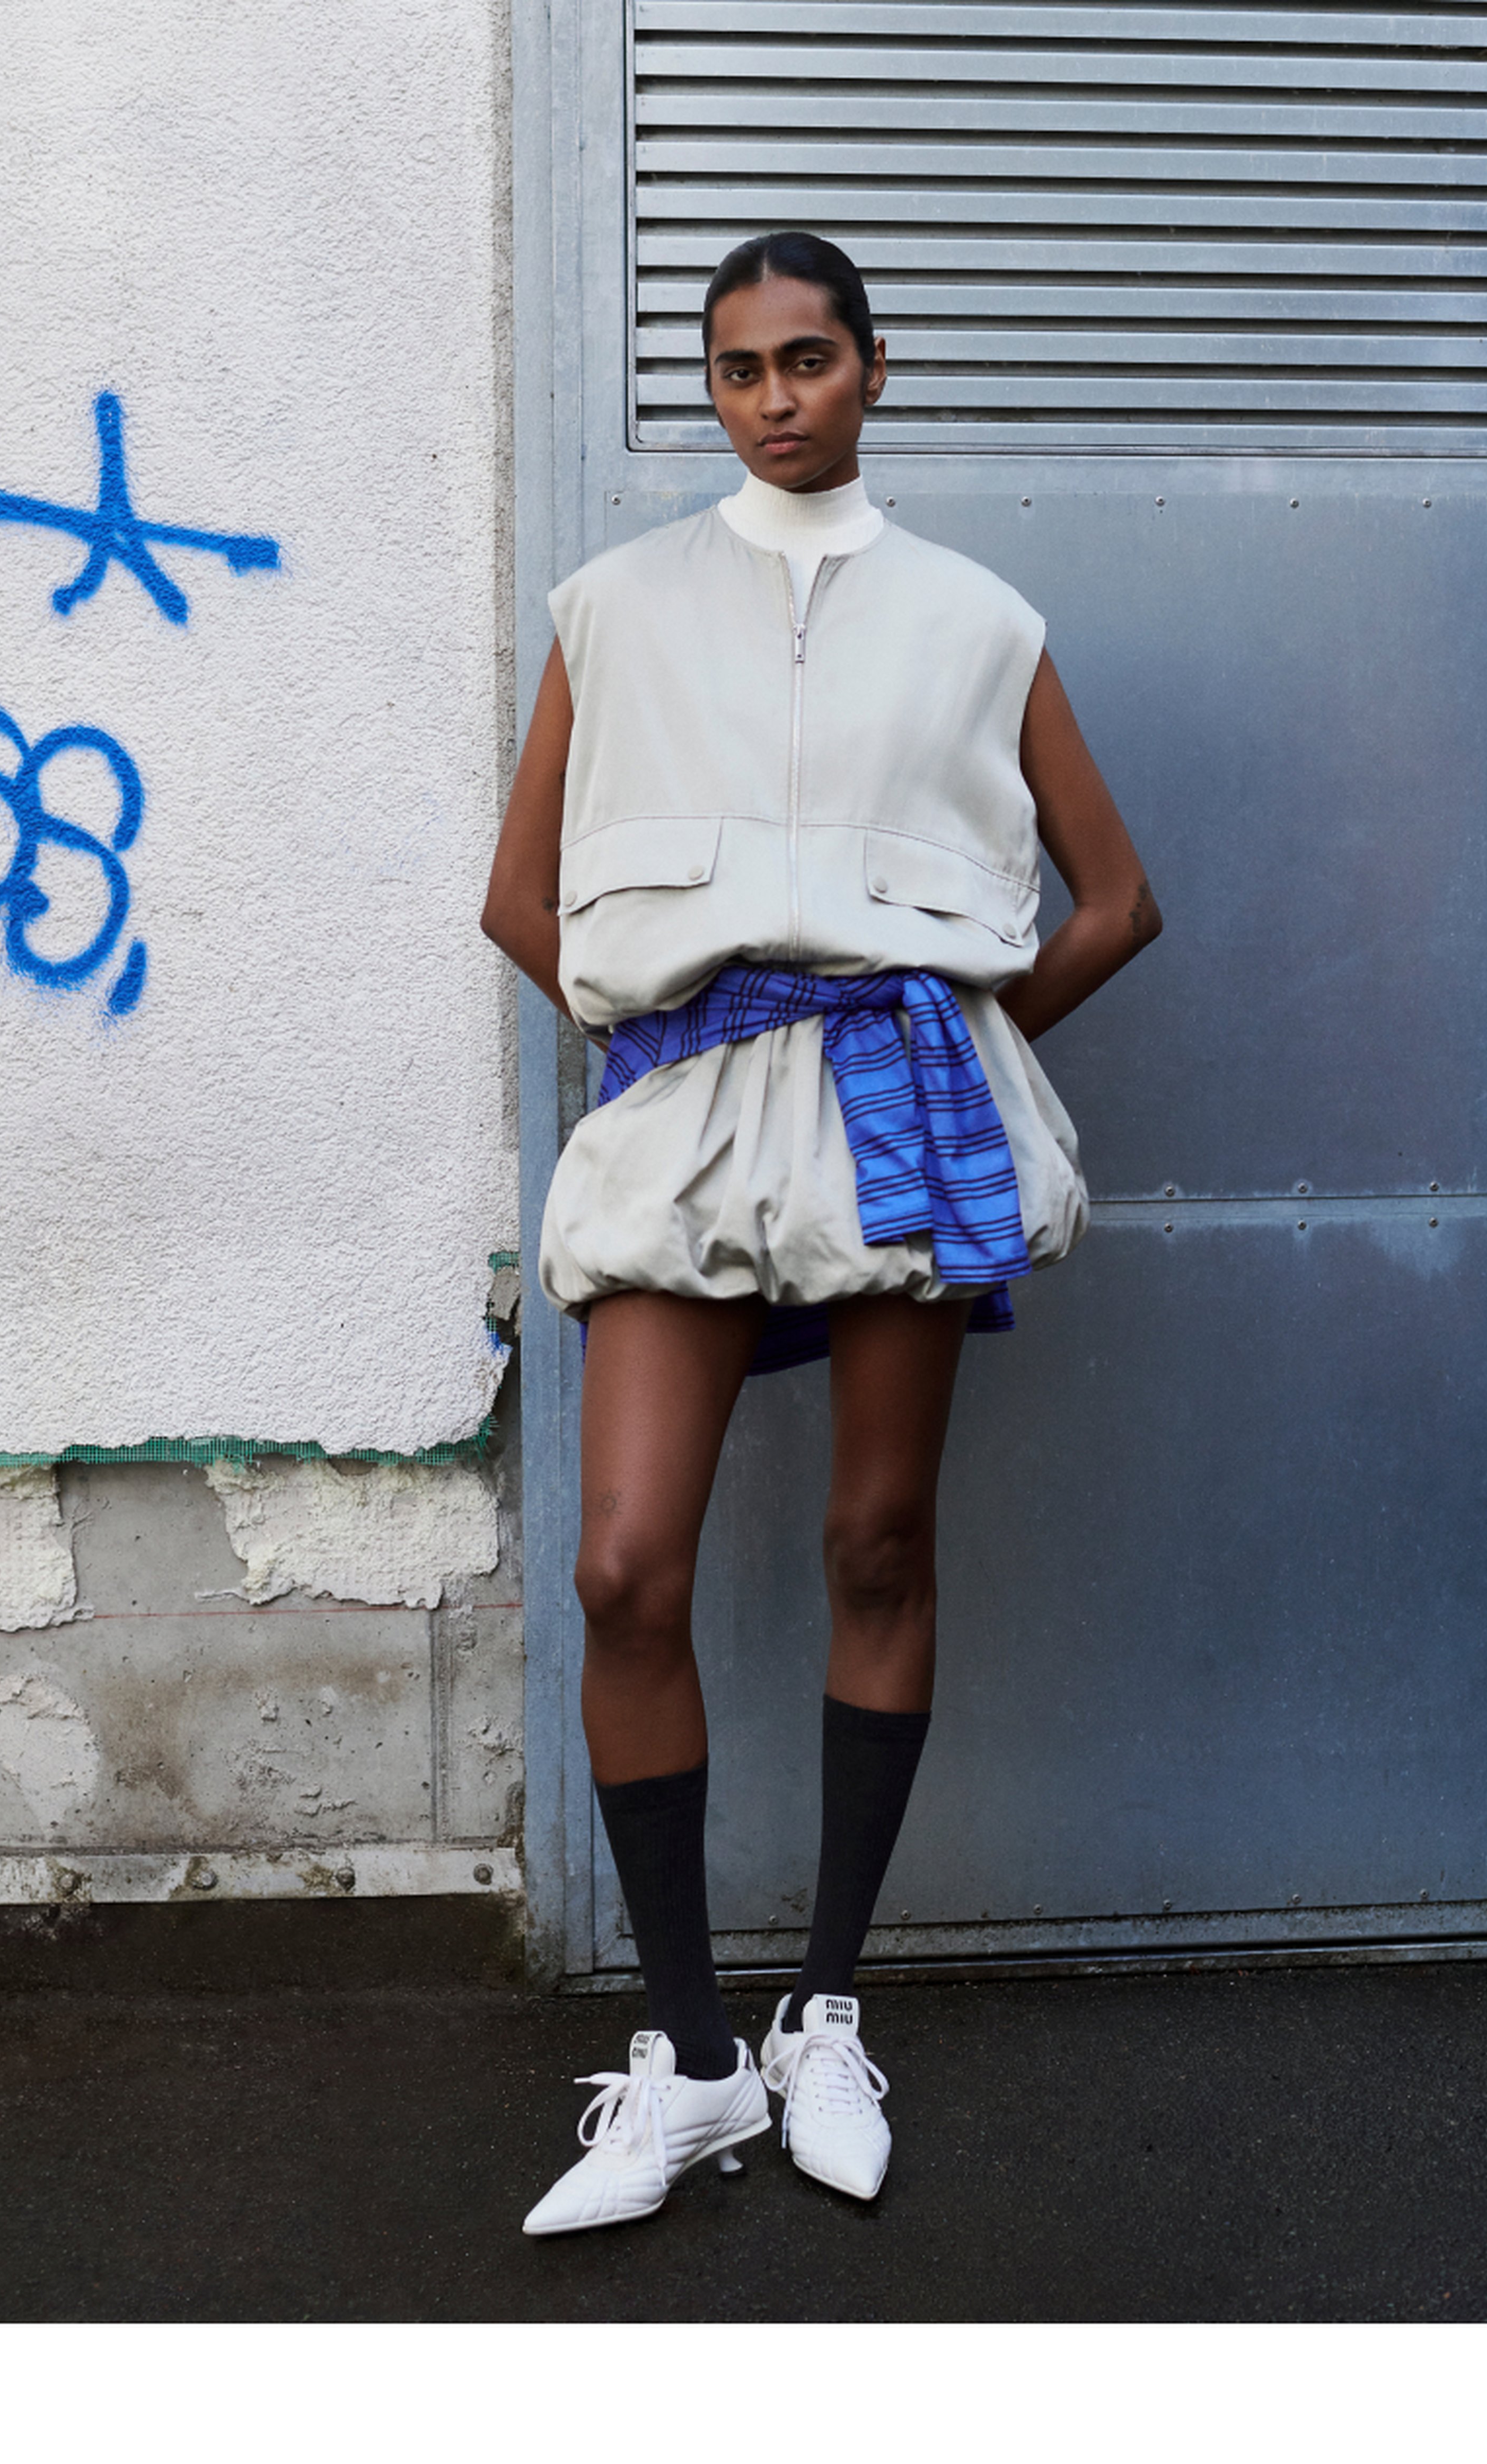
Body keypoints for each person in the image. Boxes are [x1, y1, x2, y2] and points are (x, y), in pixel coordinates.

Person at [478, 231, 1162, 2234]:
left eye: (808, 359)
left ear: (873, 370)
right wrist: (684, 1046)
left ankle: (824, 2008)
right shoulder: (612, 608)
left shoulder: (976, 619)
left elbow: (1112, 896)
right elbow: (523, 897)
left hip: (895, 1123)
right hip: (688, 1119)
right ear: (712, 388)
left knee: (879, 1536)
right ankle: (688, 2066)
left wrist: (947, 1051)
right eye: (737, 368)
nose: (774, 397)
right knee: (625, 1565)